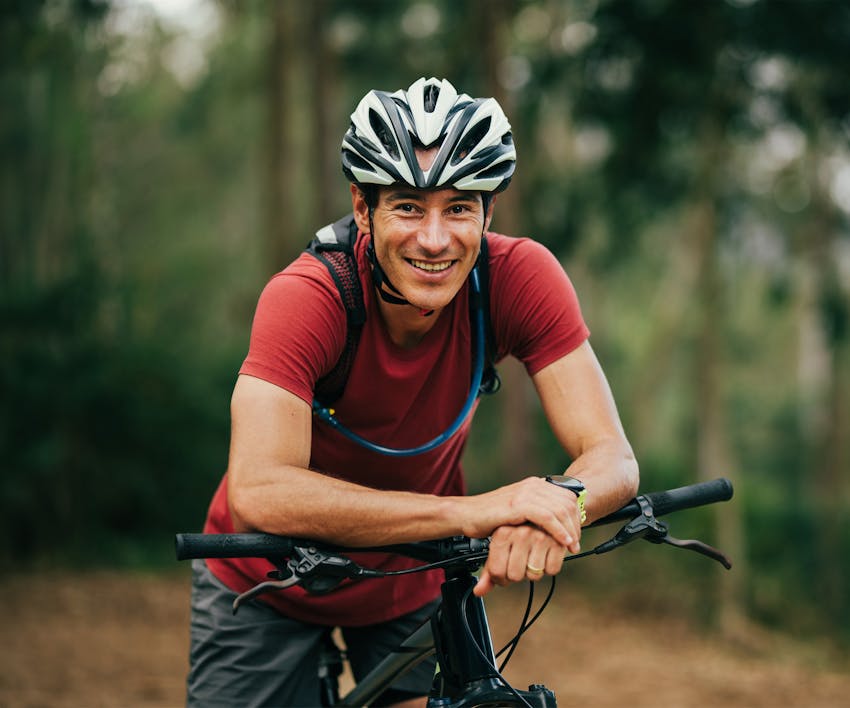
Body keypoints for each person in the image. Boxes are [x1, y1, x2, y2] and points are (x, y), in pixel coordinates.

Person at [187, 77, 639, 708]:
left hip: (414, 581)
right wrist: (478, 512)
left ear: (488, 212)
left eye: (458, 208)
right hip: (269, 580)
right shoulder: (309, 298)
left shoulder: (519, 278)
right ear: (362, 205)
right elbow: (259, 490)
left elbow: (612, 455)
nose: (434, 239)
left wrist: (561, 506)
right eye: (407, 206)